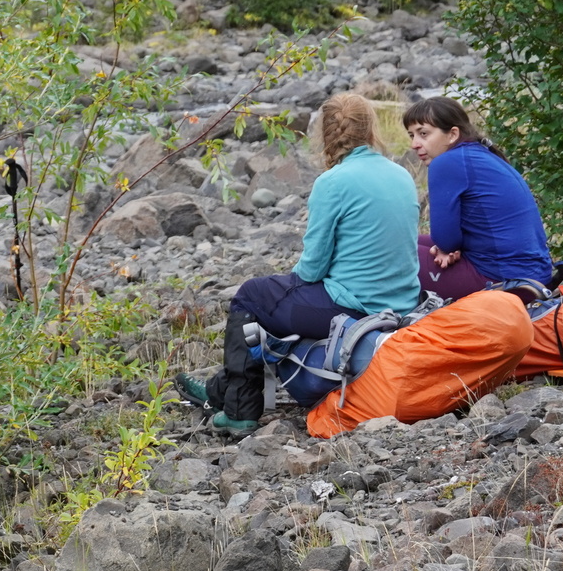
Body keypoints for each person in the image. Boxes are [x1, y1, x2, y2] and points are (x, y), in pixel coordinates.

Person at [176, 93, 421, 435]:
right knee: (273, 298)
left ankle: (238, 411)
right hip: (402, 302)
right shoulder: (401, 174)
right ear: (371, 130)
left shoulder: (332, 182)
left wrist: (287, 288)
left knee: (252, 296)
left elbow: (312, 269)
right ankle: (221, 392)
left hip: (353, 306)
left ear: (326, 133)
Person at [403, 97, 552, 300]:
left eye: (423, 134)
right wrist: (448, 247)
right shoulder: (481, 154)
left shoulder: (446, 162)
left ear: (452, 134)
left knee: (388, 251)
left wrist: (447, 247)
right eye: (412, 135)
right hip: (534, 275)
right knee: (406, 240)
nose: (414, 144)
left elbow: (446, 240)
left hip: (504, 281)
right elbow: (449, 242)